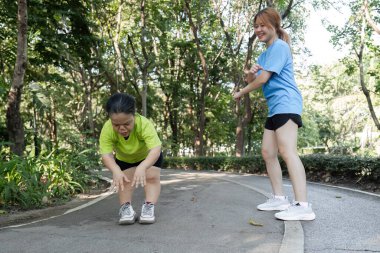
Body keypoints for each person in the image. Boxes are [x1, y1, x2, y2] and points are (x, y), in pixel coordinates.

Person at [233, 7, 315, 221]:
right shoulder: (264, 53)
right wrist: (250, 75)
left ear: (274, 25)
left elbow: (264, 80)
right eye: (256, 26)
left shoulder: (279, 46)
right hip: (276, 106)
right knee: (268, 152)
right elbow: (256, 79)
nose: (258, 30)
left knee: (288, 152)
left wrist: (241, 92)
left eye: (262, 25)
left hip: (286, 102)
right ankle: (279, 198)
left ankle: (303, 205)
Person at [99, 93, 163, 224]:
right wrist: (116, 170)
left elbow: (155, 149)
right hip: (124, 157)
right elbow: (106, 155)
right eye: (116, 125)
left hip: (148, 156)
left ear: (134, 116)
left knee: (151, 178)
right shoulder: (107, 128)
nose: (121, 128)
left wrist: (143, 166)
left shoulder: (144, 124)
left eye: (127, 123)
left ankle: (148, 207)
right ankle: (126, 208)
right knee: (124, 180)